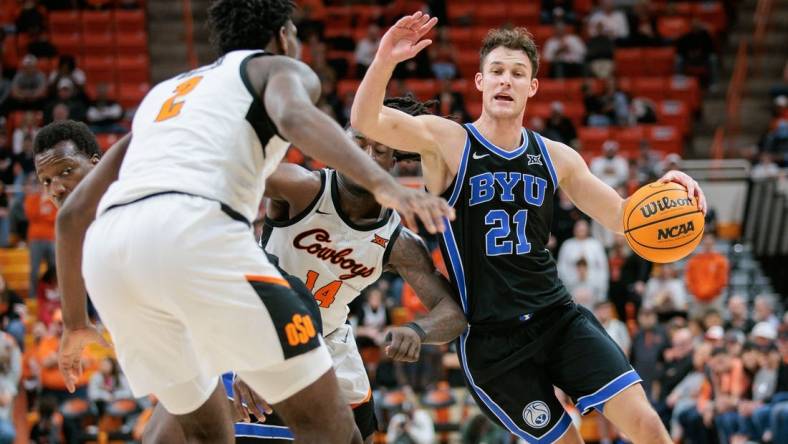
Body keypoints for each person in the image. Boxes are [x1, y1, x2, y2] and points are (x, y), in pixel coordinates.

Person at [55, 2, 454, 443]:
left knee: (203, 432)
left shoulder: (168, 96)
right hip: (208, 253)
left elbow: (72, 216)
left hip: (112, 257)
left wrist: (75, 323)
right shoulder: (278, 73)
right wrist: (387, 186)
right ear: (284, 37)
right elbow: (294, 116)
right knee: (334, 434)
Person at [351, 13, 707, 442]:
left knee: (647, 423)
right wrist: (385, 60)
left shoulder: (557, 157)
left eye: (518, 73)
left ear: (532, 87)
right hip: (493, 341)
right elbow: (366, 121)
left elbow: (621, 216)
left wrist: (668, 190)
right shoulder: (446, 141)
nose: (506, 80)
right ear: (480, 82)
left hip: (557, 319)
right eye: (496, 71)